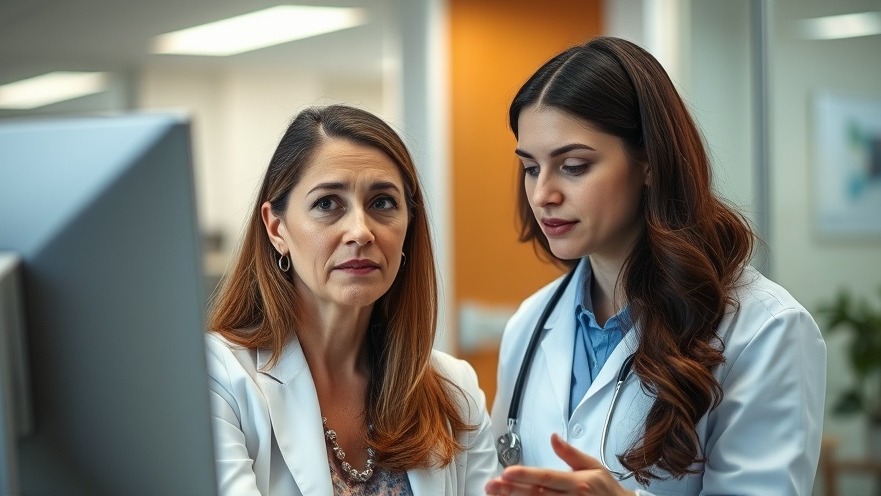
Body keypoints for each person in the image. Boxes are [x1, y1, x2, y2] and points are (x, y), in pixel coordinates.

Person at [485, 36, 826, 496]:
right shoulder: (530, 323)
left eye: (574, 166)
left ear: (648, 161)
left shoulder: (764, 329)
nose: (543, 194)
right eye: (530, 168)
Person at [205, 104, 497, 495]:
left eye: (382, 203)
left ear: (409, 226)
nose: (361, 231)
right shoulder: (217, 377)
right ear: (277, 228)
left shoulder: (453, 390)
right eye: (327, 204)